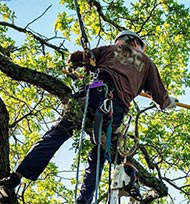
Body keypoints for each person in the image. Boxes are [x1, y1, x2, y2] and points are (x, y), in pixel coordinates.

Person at [0, 30, 177, 203]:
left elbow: (76, 57)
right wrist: (170, 101)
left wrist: (79, 65)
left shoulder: (109, 50)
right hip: (115, 111)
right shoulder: (146, 63)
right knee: (97, 157)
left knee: (57, 134)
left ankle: (15, 178)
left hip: (94, 95)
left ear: (121, 41)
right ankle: (84, 200)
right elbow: (162, 98)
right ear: (137, 43)